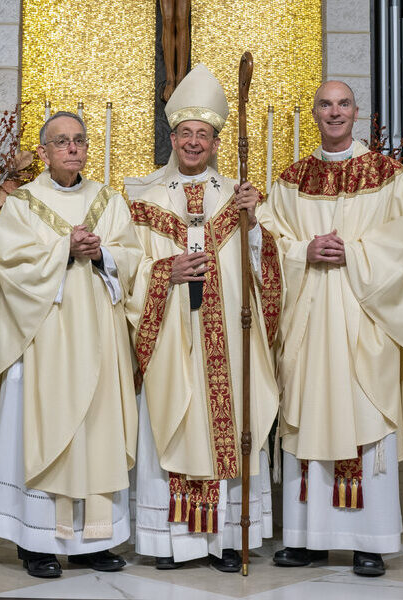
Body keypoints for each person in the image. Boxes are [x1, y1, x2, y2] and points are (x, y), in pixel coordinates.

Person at [258, 80, 403, 576]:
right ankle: (307, 538)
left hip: (363, 317)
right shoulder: (290, 180)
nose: (335, 113)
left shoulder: (389, 174)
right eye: (325, 105)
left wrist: (353, 253)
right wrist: (301, 251)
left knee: (362, 417)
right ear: (312, 113)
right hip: (308, 320)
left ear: (357, 113)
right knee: (308, 414)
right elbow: (269, 242)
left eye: (343, 104)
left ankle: (368, 539)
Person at [125, 63, 281, 572]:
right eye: (186, 134)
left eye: (204, 135)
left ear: (216, 143)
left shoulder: (240, 198)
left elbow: (267, 266)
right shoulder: (144, 201)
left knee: (228, 422)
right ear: (172, 138)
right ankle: (170, 541)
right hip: (171, 333)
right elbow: (127, 269)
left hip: (227, 343)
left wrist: (253, 224)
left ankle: (225, 542)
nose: (194, 143)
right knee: (170, 421)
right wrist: (164, 272)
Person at [0, 111, 142, 578]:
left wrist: (104, 254)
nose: (72, 149)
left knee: (94, 429)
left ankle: (96, 540)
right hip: (45, 335)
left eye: (78, 141)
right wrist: (62, 251)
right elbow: (7, 263)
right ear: (45, 151)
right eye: (61, 142)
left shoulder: (108, 200)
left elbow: (132, 257)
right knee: (45, 427)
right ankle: (38, 543)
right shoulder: (23, 203)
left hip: (97, 333)